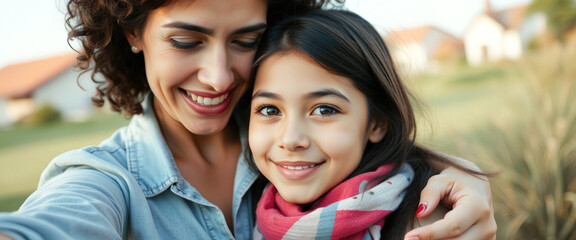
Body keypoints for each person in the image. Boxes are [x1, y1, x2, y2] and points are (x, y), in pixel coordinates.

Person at [0, 0, 495, 239]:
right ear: (132, 32)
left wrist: (446, 177)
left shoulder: (295, 153)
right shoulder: (102, 182)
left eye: (244, 41)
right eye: (186, 40)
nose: (218, 78)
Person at [243, 9, 490, 240]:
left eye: (324, 110)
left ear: (376, 124)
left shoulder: (430, 224)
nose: (290, 139)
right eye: (269, 110)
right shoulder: (255, 207)